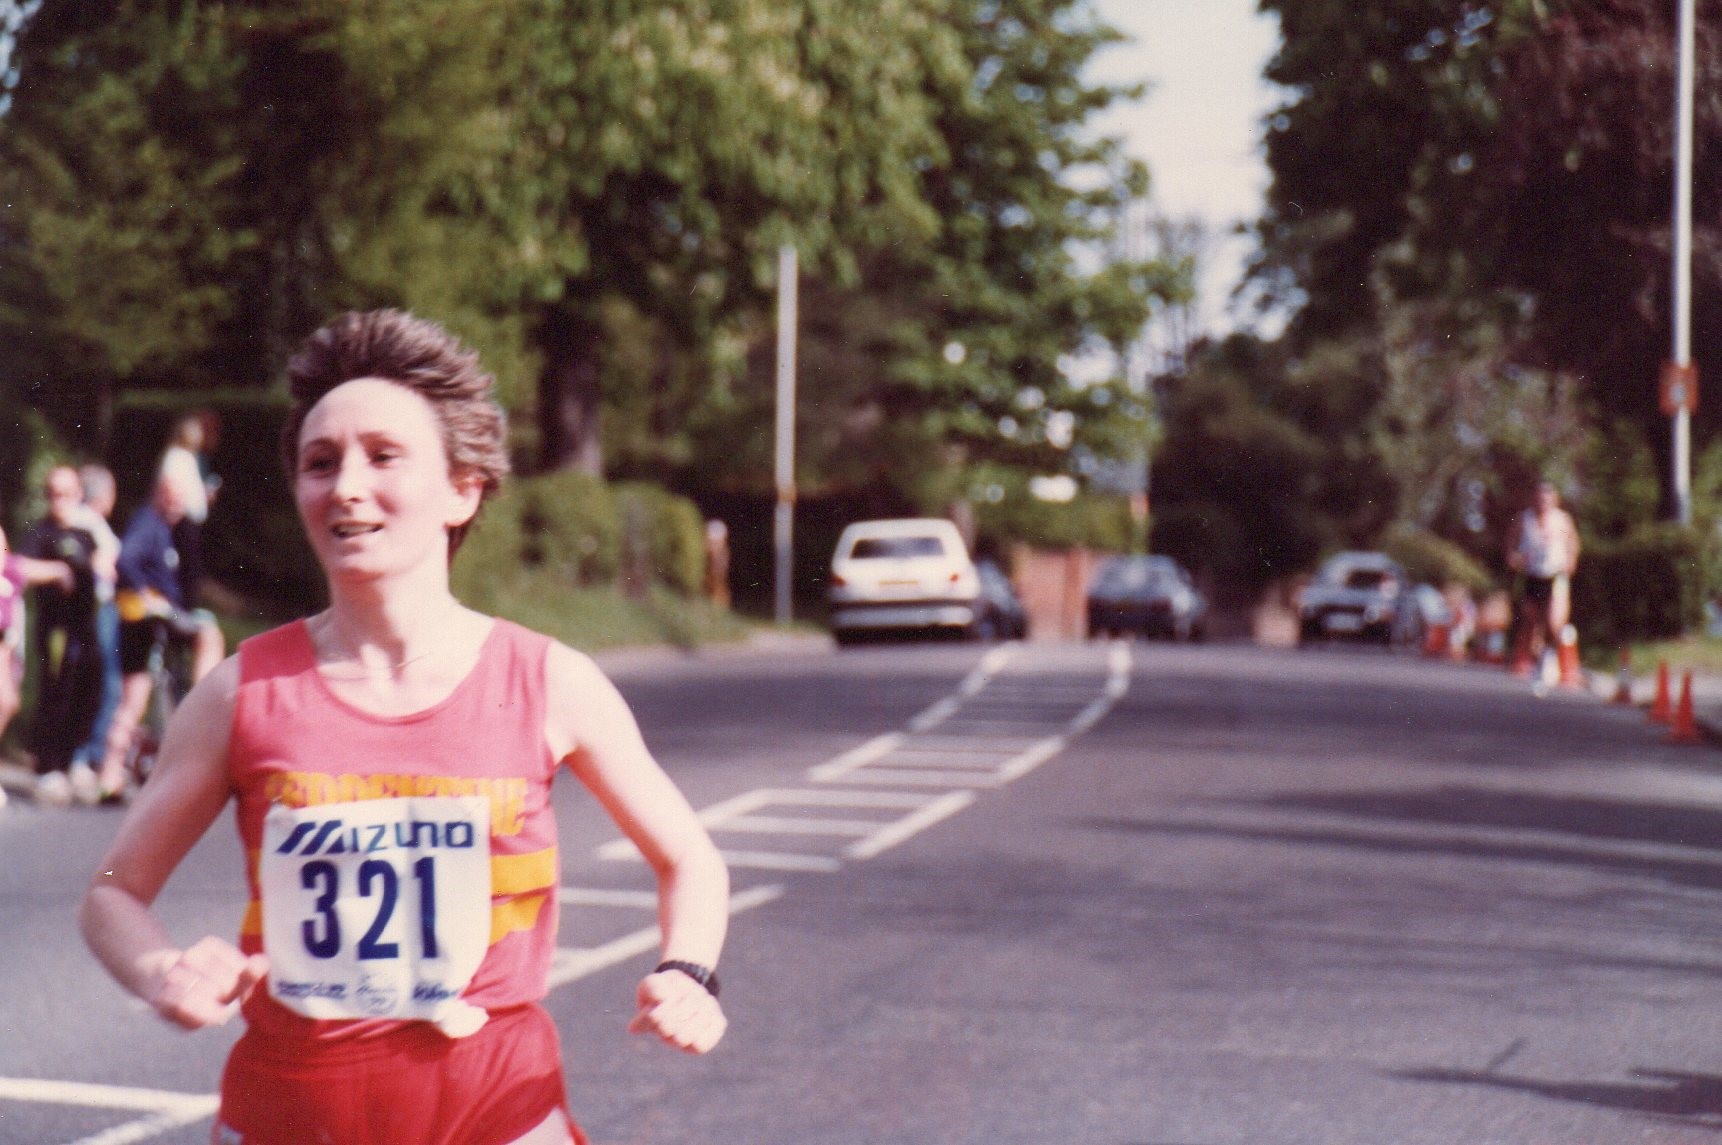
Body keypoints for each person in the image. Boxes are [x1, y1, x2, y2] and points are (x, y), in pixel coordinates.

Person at [80, 310, 729, 1145]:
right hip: (292, 1114)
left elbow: (689, 858)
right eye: (321, 463)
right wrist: (162, 971)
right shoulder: (242, 691)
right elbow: (111, 893)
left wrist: (687, 971)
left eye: (384, 456)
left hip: (499, 1108)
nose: (346, 486)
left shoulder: (549, 679)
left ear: (464, 488)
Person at [92, 473, 226, 801]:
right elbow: (125, 559)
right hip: (148, 617)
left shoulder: (167, 528)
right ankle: (204, 707)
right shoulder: (149, 524)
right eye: (172, 496)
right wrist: (146, 594)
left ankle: (111, 775)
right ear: (158, 494)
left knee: (134, 697)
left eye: (182, 498)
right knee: (207, 635)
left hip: (153, 618)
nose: (178, 504)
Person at [20, 465, 104, 804]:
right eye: (53, 494)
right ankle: (47, 765)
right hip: (56, 628)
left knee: (86, 689)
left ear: (78, 496)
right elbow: (20, 566)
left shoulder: (85, 533)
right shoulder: (42, 534)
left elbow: (102, 560)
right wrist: (56, 571)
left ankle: (70, 759)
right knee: (56, 689)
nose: (60, 501)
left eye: (66, 494)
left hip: (84, 626)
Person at [0, 518, 76, 808]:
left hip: (6, 650)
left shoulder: (11, 571)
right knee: (5, 700)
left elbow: (38, 568)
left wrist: (62, 571)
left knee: (7, 703)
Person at [71, 464, 124, 778]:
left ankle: (85, 753)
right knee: (105, 682)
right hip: (97, 608)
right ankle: (89, 753)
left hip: (94, 608)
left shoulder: (88, 522)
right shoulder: (88, 523)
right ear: (103, 495)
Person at [1506, 479, 1581, 678]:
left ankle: (1549, 656)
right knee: (1530, 621)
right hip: (1532, 575)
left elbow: (1573, 542)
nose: (1543, 502)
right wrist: (1514, 558)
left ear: (1555, 500)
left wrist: (1570, 561)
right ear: (1533, 499)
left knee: (1554, 621)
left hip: (1556, 575)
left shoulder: (1562, 520)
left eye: (1547, 498)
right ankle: (1532, 658)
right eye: (1539, 498)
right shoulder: (1524, 519)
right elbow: (1511, 545)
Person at [157, 411, 219, 606]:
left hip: (192, 521)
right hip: (183, 520)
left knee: (192, 570)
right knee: (187, 570)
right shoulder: (176, 456)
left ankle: (187, 607)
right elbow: (171, 487)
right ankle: (183, 608)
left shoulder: (188, 458)